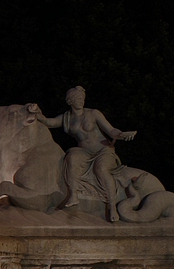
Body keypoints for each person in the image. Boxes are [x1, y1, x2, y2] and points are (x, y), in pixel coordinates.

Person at [28, 86, 136, 221]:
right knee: (71, 157)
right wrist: (37, 113)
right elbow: (49, 122)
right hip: (83, 151)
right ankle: (74, 195)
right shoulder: (66, 117)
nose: (81, 101)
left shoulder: (93, 113)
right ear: (70, 101)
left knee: (101, 169)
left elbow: (111, 130)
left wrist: (121, 134)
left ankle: (112, 207)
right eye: (78, 98)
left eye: (82, 98)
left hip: (102, 150)